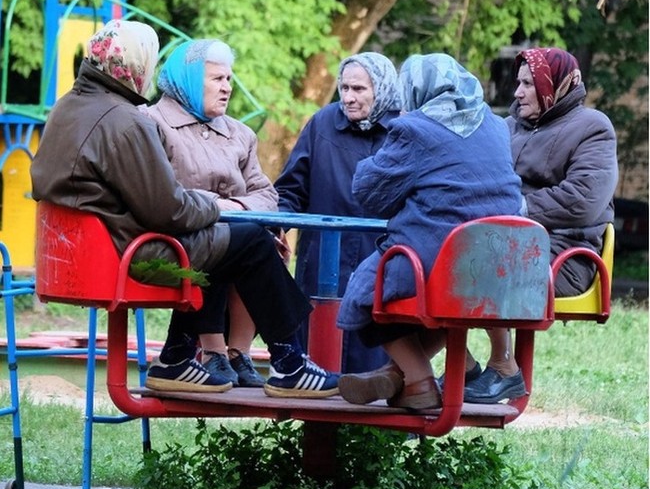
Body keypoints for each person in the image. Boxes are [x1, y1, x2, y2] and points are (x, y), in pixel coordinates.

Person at [30, 19, 338, 399]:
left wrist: (212, 213)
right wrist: (216, 208)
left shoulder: (68, 108)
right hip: (133, 253)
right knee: (251, 242)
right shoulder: (127, 122)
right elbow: (169, 212)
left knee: (228, 241)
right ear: (135, 64)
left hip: (86, 250)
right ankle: (290, 363)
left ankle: (176, 357)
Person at [335, 53, 522, 409]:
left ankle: (418, 380)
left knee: (367, 291)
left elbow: (369, 193)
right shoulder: (497, 126)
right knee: (430, 301)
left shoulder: (416, 128)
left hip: (438, 255)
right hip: (503, 257)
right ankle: (406, 372)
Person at [462, 47, 618, 404]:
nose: (517, 93)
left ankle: (504, 368)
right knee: (438, 254)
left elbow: (584, 199)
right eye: (518, 83)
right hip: (506, 239)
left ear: (555, 85)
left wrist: (517, 207)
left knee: (484, 258)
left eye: (529, 84)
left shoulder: (593, 128)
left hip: (567, 254)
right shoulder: (507, 126)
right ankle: (461, 367)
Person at [142, 39, 278, 387]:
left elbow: (266, 194)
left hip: (228, 230)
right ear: (188, 79)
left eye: (230, 79)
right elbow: (163, 193)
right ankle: (214, 351)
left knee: (259, 238)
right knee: (226, 239)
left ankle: (239, 353)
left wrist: (234, 207)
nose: (227, 87)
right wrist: (217, 208)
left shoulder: (240, 134)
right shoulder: (151, 123)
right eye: (218, 79)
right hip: (171, 235)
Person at [274, 52, 401, 373]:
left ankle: (376, 423)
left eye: (359, 89)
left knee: (376, 354)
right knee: (317, 358)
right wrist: (274, 227)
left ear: (381, 89)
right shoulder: (323, 123)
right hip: (321, 261)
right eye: (344, 88)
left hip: (381, 261)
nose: (348, 98)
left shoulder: (404, 130)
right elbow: (291, 189)